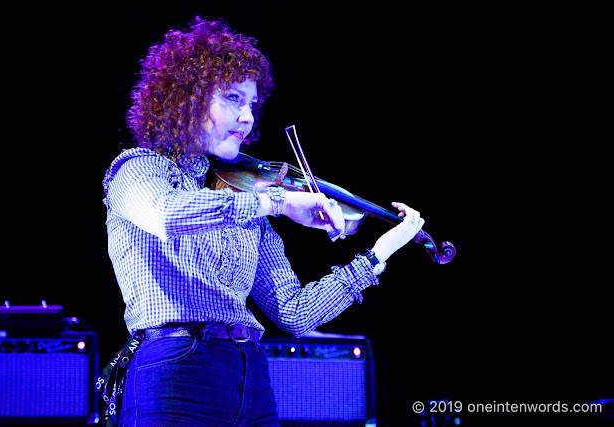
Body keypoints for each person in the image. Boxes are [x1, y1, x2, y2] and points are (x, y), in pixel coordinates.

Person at [100, 16, 425, 426]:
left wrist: (379, 254)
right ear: (187, 98)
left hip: (251, 375)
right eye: (233, 98)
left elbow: (293, 313)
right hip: (174, 370)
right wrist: (277, 201)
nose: (248, 117)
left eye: (252, 104)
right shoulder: (137, 169)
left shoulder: (243, 197)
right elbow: (166, 214)